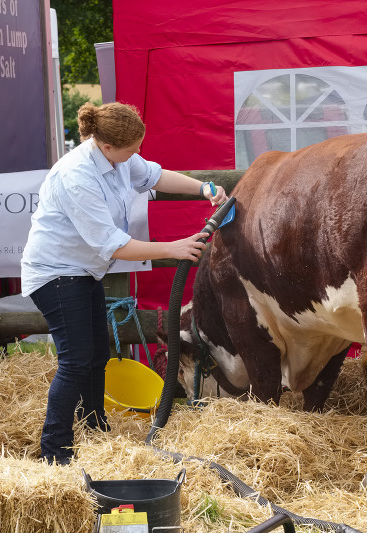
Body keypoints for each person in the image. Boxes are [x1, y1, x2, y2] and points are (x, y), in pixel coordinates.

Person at [20, 102, 227, 464]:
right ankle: (54, 452)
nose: (137, 155)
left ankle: (94, 426)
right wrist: (174, 248)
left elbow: (155, 176)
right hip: (54, 273)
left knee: (97, 354)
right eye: (132, 149)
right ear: (106, 147)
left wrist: (204, 187)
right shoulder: (77, 175)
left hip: (83, 270)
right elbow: (113, 243)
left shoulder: (118, 157)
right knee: (75, 360)